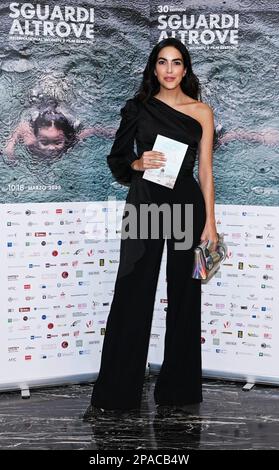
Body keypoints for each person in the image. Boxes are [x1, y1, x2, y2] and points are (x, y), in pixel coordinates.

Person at [84, 38, 218, 419]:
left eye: (177, 63)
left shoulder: (201, 112)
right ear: (154, 68)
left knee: (186, 296)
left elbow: (206, 171)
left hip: (187, 207)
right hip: (144, 204)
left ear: (186, 69)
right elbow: (117, 160)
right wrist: (139, 164)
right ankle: (116, 392)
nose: (170, 70)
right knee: (132, 291)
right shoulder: (137, 109)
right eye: (163, 62)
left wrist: (211, 222)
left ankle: (178, 389)